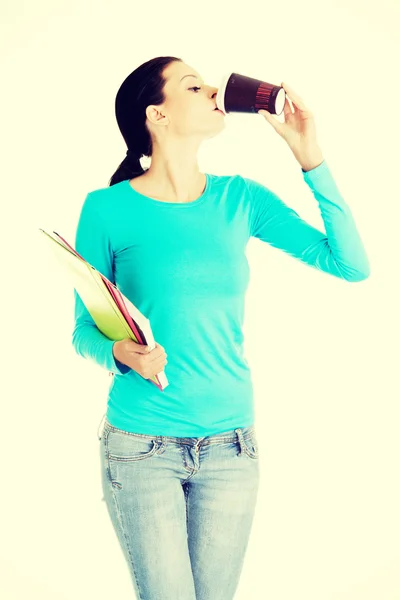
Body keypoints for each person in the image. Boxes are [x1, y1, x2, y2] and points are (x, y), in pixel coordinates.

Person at [72, 56, 370, 600]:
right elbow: (81, 333)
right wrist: (122, 353)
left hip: (232, 449)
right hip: (142, 449)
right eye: (195, 85)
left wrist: (309, 155)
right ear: (157, 115)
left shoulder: (242, 198)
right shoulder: (105, 209)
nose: (214, 90)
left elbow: (350, 265)